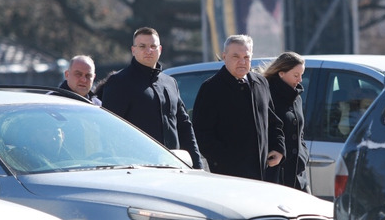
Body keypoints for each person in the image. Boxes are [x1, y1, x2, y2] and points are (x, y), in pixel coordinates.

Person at [101, 27, 204, 169]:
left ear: (160, 49)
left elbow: (184, 126)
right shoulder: (119, 82)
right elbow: (109, 129)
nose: (148, 51)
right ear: (133, 50)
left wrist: (197, 165)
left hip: (175, 166)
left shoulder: (170, 82)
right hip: (137, 169)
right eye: (142, 46)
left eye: (153, 46)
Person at [191, 34, 284, 180]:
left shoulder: (261, 83)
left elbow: (273, 121)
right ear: (224, 56)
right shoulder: (211, 88)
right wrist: (225, 161)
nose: (242, 62)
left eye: (246, 57)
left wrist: (278, 148)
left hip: (263, 173)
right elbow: (202, 133)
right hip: (229, 176)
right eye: (235, 56)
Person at [262, 52, 310, 192]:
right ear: (281, 73)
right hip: (275, 175)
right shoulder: (266, 95)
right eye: (296, 75)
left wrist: (303, 155)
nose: (300, 79)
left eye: (302, 74)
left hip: (299, 176)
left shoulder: (297, 98)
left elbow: (300, 133)